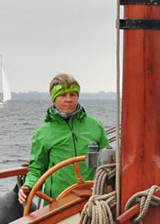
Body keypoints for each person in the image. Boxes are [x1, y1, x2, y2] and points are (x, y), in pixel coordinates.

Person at [17, 73, 110, 205]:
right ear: (53, 98)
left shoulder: (95, 126)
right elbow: (37, 168)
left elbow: (107, 163)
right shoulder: (43, 133)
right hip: (57, 202)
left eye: (73, 94)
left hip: (92, 200)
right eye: (62, 95)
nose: (68, 99)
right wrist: (28, 186)